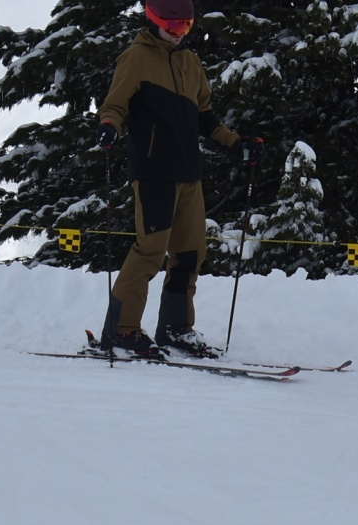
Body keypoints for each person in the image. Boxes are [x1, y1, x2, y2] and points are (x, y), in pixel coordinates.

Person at [97, 0, 262, 356]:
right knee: (150, 252)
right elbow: (115, 105)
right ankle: (121, 331)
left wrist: (237, 145)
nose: (178, 34)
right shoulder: (136, 58)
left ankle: (175, 329)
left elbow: (205, 117)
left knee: (190, 254)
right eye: (172, 27)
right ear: (153, 20)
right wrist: (109, 126)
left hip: (188, 174)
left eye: (185, 27)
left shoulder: (191, 62)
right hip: (153, 172)